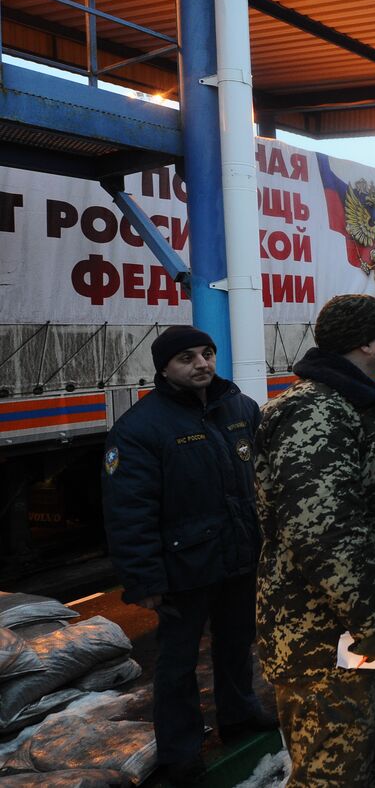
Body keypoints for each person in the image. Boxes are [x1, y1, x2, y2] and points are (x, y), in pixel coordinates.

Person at [254, 294, 375, 787]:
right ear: (366, 343)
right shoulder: (315, 411)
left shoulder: (360, 402)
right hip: (331, 637)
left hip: (366, 632)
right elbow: (323, 529)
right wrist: (372, 618)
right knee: (334, 773)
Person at [102, 325, 276, 785]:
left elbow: (265, 480)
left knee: (237, 642)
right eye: (187, 358)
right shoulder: (140, 429)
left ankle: (239, 714)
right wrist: (145, 582)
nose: (201, 364)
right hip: (184, 569)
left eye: (207, 353)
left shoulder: (239, 408)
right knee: (177, 664)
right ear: (163, 368)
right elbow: (129, 512)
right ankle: (179, 750)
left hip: (239, 555)